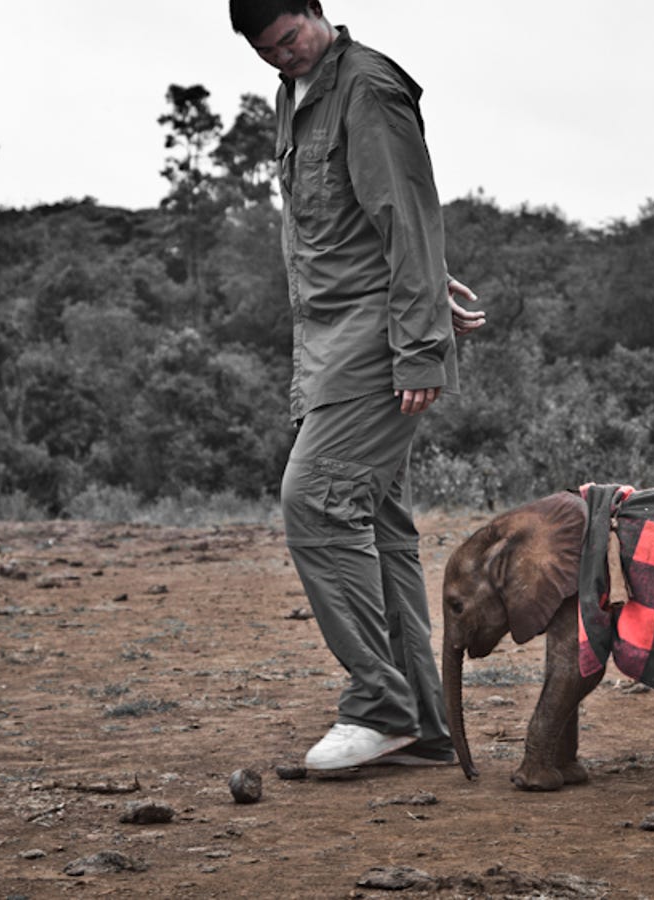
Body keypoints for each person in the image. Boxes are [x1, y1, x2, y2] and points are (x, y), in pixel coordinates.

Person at [229, 0, 487, 770]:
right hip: (329, 339)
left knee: (314, 499)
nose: (285, 58)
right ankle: (419, 726)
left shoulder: (368, 87)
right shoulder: (296, 94)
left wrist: (418, 343)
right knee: (376, 526)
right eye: (268, 52)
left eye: (292, 39)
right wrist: (422, 285)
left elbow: (406, 211)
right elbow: (349, 224)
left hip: (377, 345)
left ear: (317, 11)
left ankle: (379, 705)